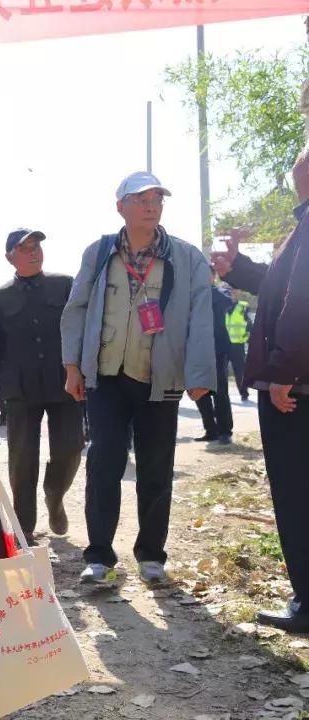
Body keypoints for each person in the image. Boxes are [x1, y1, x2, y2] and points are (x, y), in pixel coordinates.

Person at [62, 171, 214, 585]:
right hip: (107, 377)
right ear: (121, 207)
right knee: (103, 462)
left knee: (155, 467)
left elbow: (201, 318)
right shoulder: (98, 254)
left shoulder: (186, 257)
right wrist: (73, 366)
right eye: (141, 199)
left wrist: (200, 376)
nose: (151, 206)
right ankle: (99, 556)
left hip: (160, 377)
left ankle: (151, 556)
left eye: (157, 200)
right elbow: (76, 309)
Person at [211, 148, 309, 634]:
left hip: (297, 390)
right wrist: (239, 270)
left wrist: (283, 371)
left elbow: (302, 302)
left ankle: (307, 604)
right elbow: (283, 287)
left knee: (296, 495)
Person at [0, 228, 82, 547]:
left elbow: (79, 331)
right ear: (10, 256)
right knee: (22, 459)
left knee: (69, 450)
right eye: (25, 248)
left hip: (63, 383)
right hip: (19, 389)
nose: (34, 251)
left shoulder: (64, 284)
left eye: (37, 245)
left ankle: (55, 495)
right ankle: (24, 526)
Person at [193, 275, 235, 445]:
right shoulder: (190, 295)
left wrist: (209, 288)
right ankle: (211, 430)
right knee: (198, 390)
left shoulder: (216, 294)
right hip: (196, 349)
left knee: (219, 391)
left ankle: (225, 431)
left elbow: (229, 302)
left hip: (217, 349)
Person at [224, 292, 253, 402]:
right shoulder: (221, 303)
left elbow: (249, 325)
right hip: (223, 343)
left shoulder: (242, 307)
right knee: (221, 372)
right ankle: (222, 395)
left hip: (237, 345)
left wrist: (247, 338)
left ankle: (244, 393)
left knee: (240, 371)